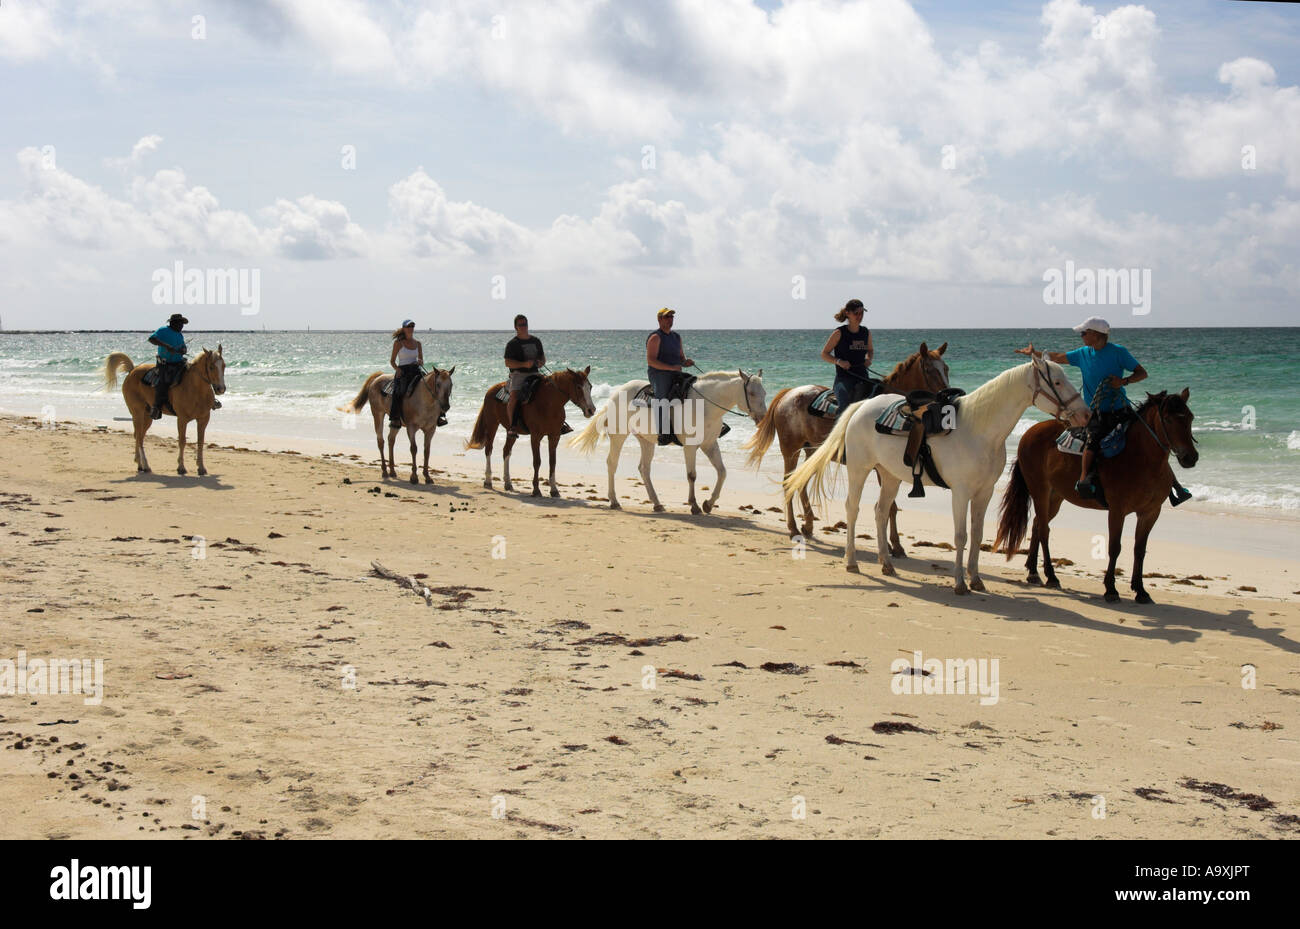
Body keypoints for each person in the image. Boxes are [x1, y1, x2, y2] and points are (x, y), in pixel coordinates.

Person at [1019, 316, 1147, 499]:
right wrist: (1034, 353)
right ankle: (1084, 479)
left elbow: (1142, 373)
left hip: (1120, 406)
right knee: (1093, 439)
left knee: (1148, 435)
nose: (1081, 336)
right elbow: (1058, 357)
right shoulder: (1083, 353)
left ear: (1095, 334)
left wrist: (1123, 381)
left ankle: (1172, 484)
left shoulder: (1119, 352)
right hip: (1096, 411)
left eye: (1083, 333)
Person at [819, 298, 879, 417]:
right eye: (856, 313)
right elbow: (824, 354)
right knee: (845, 406)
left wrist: (868, 359)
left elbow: (870, 350)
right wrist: (839, 361)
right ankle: (839, 434)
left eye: (861, 313)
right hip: (844, 378)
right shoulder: (839, 333)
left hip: (863, 376)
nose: (859, 316)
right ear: (848, 313)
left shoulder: (865, 332)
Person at [646, 307, 697, 446]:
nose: (670, 319)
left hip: (675, 372)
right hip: (659, 373)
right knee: (661, 398)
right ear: (659, 319)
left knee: (695, 388)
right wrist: (671, 367)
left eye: (672, 317)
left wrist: (686, 363)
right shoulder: (655, 337)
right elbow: (651, 361)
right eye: (667, 317)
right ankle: (663, 433)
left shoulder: (676, 337)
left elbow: (681, 358)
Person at [504, 314, 545, 436]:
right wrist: (524, 364)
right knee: (515, 396)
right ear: (516, 327)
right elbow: (507, 362)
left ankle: (559, 423)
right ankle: (512, 426)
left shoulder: (536, 341)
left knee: (551, 389)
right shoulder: (512, 344)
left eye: (525, 324)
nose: (524, 327)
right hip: (519, 374)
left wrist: (541, 362)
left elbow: (542, 357)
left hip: (535, 373)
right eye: (521, 325)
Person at [147, 313, 191, 419]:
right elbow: (152, 339)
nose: (182, 326)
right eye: (180, 324)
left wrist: (183, 350)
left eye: (182, 324)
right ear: (173, 323)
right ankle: (156, 407)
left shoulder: (179, 334)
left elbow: (184, 347)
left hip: (179, 363)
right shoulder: (163, 330)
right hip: (165, 364)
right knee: (162, 383)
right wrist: (166, 346)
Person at [388, 320, 424, 428]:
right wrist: (397, 369)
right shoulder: (398, 343)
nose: (411, 328)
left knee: (431, 386)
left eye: (412, 326)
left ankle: (439, 415)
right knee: (398, 392)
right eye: (408, 326)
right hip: (402, 371)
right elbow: (392, 361)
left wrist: (420, 361)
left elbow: (421, 359)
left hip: (415, 370)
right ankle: (395, 418)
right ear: (403, 328)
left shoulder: (418, 343)